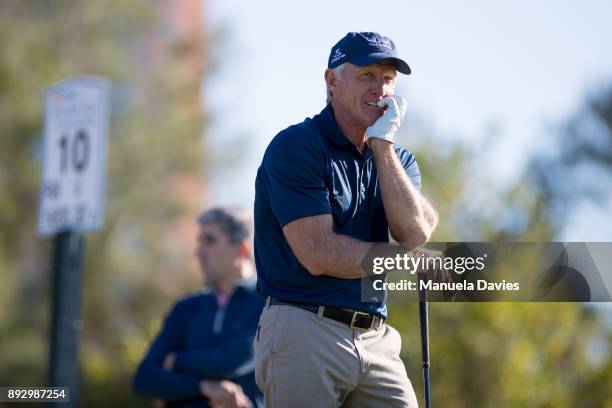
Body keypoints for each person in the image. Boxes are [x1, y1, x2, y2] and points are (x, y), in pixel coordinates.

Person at [253, 32, 439, 407]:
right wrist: (404, 259)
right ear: (331, 81)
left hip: (377, 339)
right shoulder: (296, 146)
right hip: (305, 329)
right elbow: (319, 253)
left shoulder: (396, 159)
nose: (380, 88)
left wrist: (382, 145)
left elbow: (415, 231)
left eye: (387, 78)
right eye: (367, 75)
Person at [133, 208, 265, 408]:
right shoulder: (186, 308)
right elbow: (144, 378)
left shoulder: (267, 303)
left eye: (210, 240)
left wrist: (177, 360)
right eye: (199, 241)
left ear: (242, 249)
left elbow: (231, 361)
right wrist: (202, 386)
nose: (199, 252)